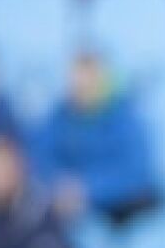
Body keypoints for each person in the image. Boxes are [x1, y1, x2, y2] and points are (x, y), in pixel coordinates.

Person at [31, 53, 158, 226]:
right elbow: (41, 155)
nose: (82, 88)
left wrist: (87, 188)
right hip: (73, 207)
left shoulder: (126, 117)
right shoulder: (60, 115)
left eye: (89, 81)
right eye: (77, 82)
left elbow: (136, 173)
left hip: (122, 210)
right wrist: (59, 184)